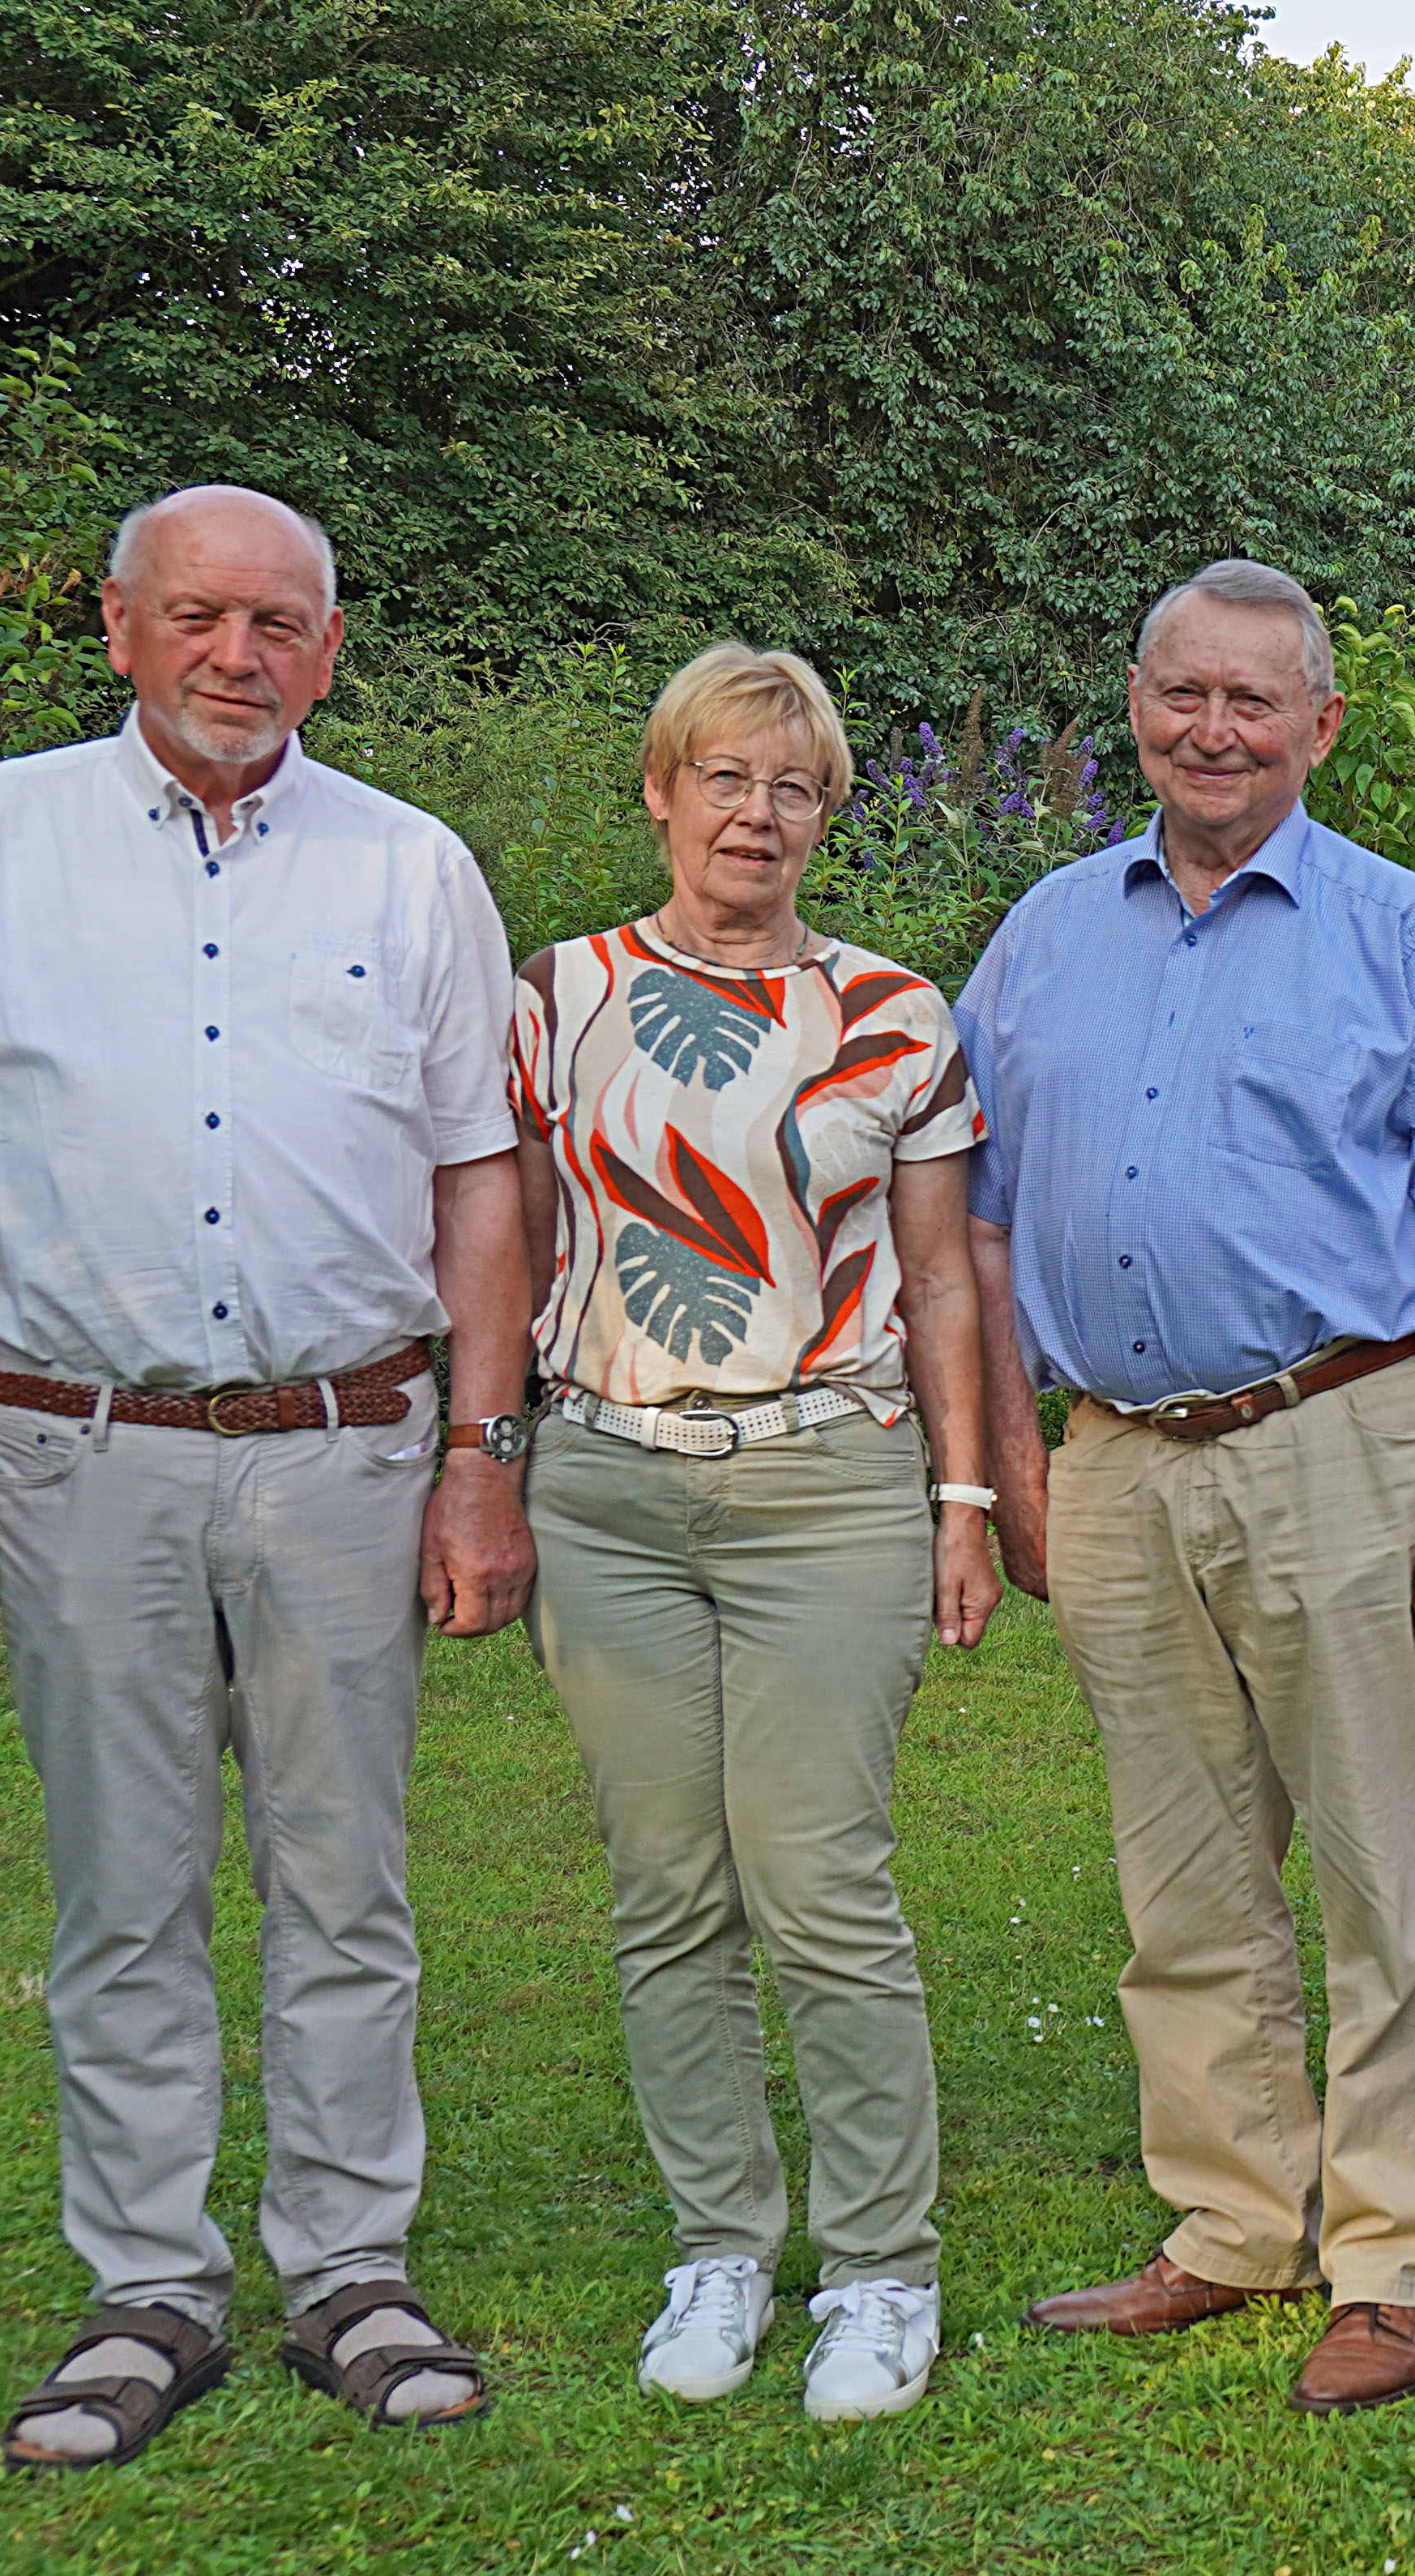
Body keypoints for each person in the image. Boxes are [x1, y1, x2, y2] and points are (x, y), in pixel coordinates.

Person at [0, 485, 531, 2465]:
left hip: (344, 1446)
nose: (238, 655)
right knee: (122, 1887)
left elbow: (479, 1173)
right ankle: (145, 2283)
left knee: (342, 1876)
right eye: (199, 616)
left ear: (329, 646)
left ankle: (348, 2264)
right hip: (75, 1439)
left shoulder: (411, 869)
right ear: (116, 626)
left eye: (279, 623)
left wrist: (482, 1453)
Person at [961, 558, 1415, 2417]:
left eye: (1252, 701)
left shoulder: (1401, 934)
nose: (1211, 729)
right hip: (1118, 1455)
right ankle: (1229, 2223)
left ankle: (1390, 2254)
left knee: (1383, 1869)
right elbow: (973, 1234)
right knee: (1183, 1877)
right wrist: (1003, 1463)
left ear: (1319, 724)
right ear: (1134, 706)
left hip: (1343, 1437)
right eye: (1180, 694)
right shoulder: (1046, 930)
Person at [507, 643, 1001, 2424]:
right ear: (660, 788)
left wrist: (964, 1494)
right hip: (608, 1488)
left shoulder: (894, 1011)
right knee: (665, 1891)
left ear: (826, 813)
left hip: (828, 1480)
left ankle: (881, 2268)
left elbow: (943, 1273)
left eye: (794, 786)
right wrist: (484, 1458)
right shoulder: (552, 994)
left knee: (821, 1880)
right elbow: (502, 1245)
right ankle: (719, 2239)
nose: (758, 812)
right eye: (725, 775)